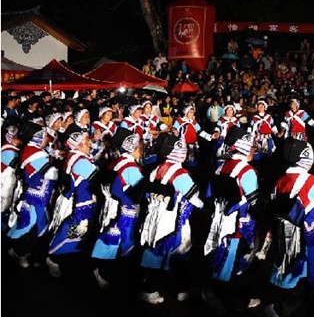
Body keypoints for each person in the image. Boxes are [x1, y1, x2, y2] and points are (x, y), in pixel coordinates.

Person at [263, 137, 314, 317]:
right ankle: (280, 309)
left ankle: (304, 309)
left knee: (290, 270)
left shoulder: (280, 180)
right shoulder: (310, 180)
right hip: (307, 236)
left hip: (283, 233)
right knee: (313, 274)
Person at [137, 132, 205, 305]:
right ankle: (159, 290)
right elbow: (194, 199)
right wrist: (205, 207)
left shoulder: (156, 169)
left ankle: (171, 288)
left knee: (158, 251)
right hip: (174, 220)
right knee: (176, 252)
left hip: (155, 218)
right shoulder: (180, 174)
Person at [201, 127, 261, 315]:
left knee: (221, 254)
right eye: (252, 146)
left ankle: (218, 292)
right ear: (244, 148)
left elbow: (210, 194)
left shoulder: (221, 166)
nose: (254, 150)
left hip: (219, 219)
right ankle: (227, 300)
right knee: (234, 262)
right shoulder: (247, 171)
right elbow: (254, 202)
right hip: (238, 223)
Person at [90, 127, 146, 291]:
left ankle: (103, 269)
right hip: (124, 208)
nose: (141, 152)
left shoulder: (117, 161)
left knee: (112, 238)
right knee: (121, 241)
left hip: (112, 206)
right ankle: (105, 272)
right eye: (140, 149)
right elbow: (138, 192)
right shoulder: (130, 167)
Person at [47, 131, 100, 278]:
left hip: (82, 199)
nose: (90, 144)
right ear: (80, 145)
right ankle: (53, 256)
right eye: (88, 142)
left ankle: (68, 258)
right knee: (73, 229)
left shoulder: (77, 156)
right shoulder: (80, 161)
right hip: (81, 201)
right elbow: (96, 178)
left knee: (78, 231)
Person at [7, 121, 59, 269]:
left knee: (36, 224)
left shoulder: (30, 150)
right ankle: (20, 252)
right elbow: (49, 173)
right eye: (43, 136)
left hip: (36, 193)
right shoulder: (36, 154)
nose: (46, 139)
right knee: (39, 226)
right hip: (37, 195)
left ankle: (28, 253)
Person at [1, 125, 22, 232]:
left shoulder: (12, 149)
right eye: (17, 137)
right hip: (3, 182)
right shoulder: (9, 151)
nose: (19, 139)